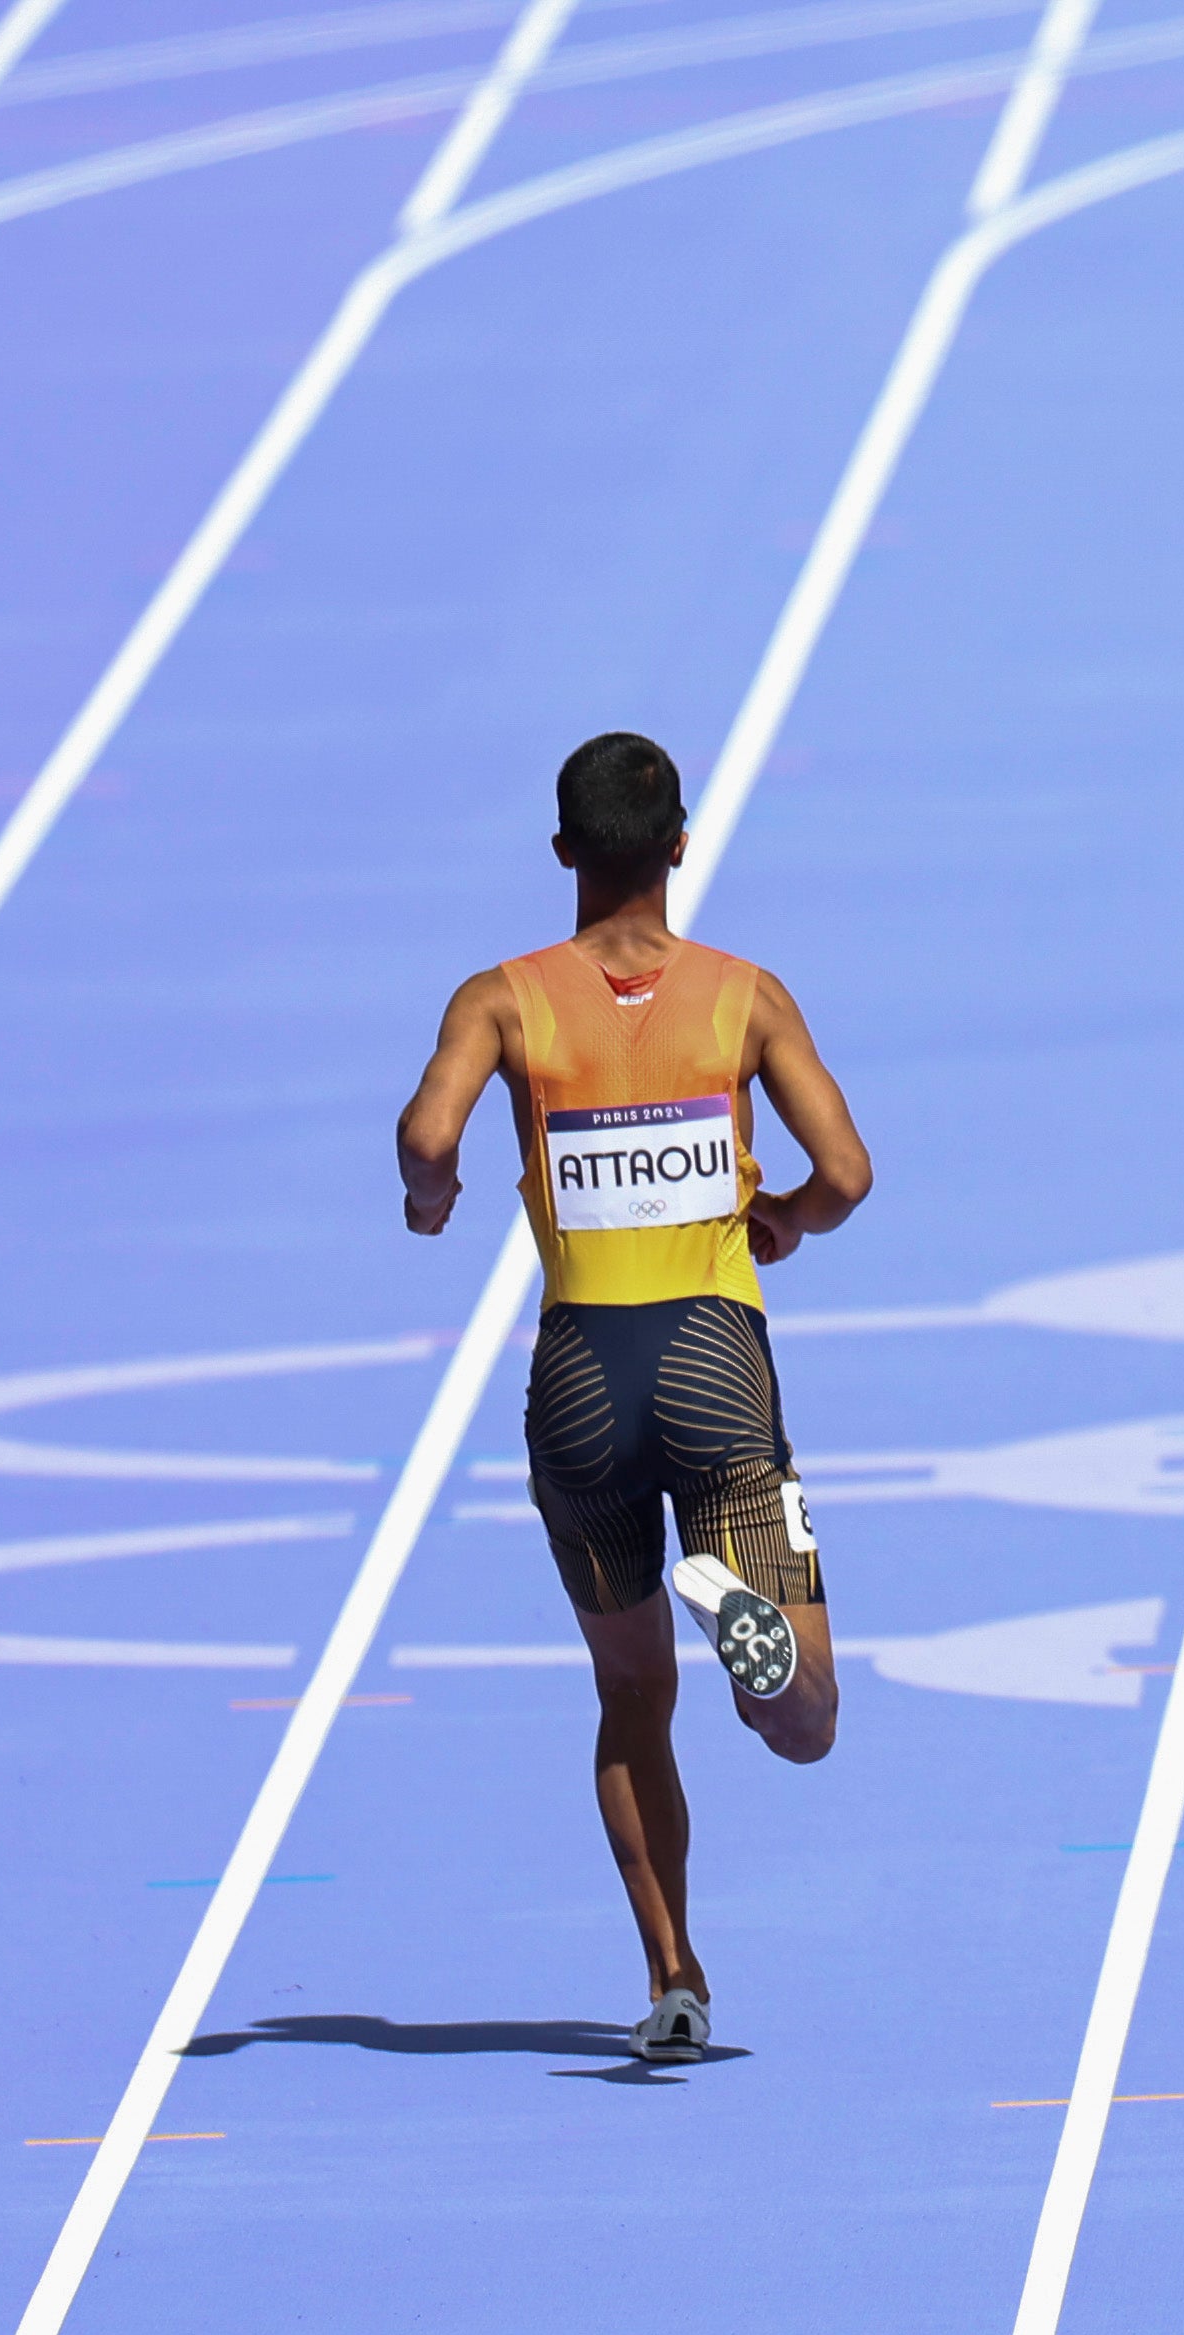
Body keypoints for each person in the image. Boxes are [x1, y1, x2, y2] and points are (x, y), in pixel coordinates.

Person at [394, 732, 872, 2063]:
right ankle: (751, 1631)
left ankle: (672, 1973)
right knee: (808, 1726)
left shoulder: (501, 1001)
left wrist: (430, 1203)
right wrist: (778, 1218)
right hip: (715, 1367)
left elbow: (429, 1144)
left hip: (580, 1385)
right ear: (678, 845)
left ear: (562, 853)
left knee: (625, 1699)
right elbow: (847, 1172)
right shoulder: (741, 997)